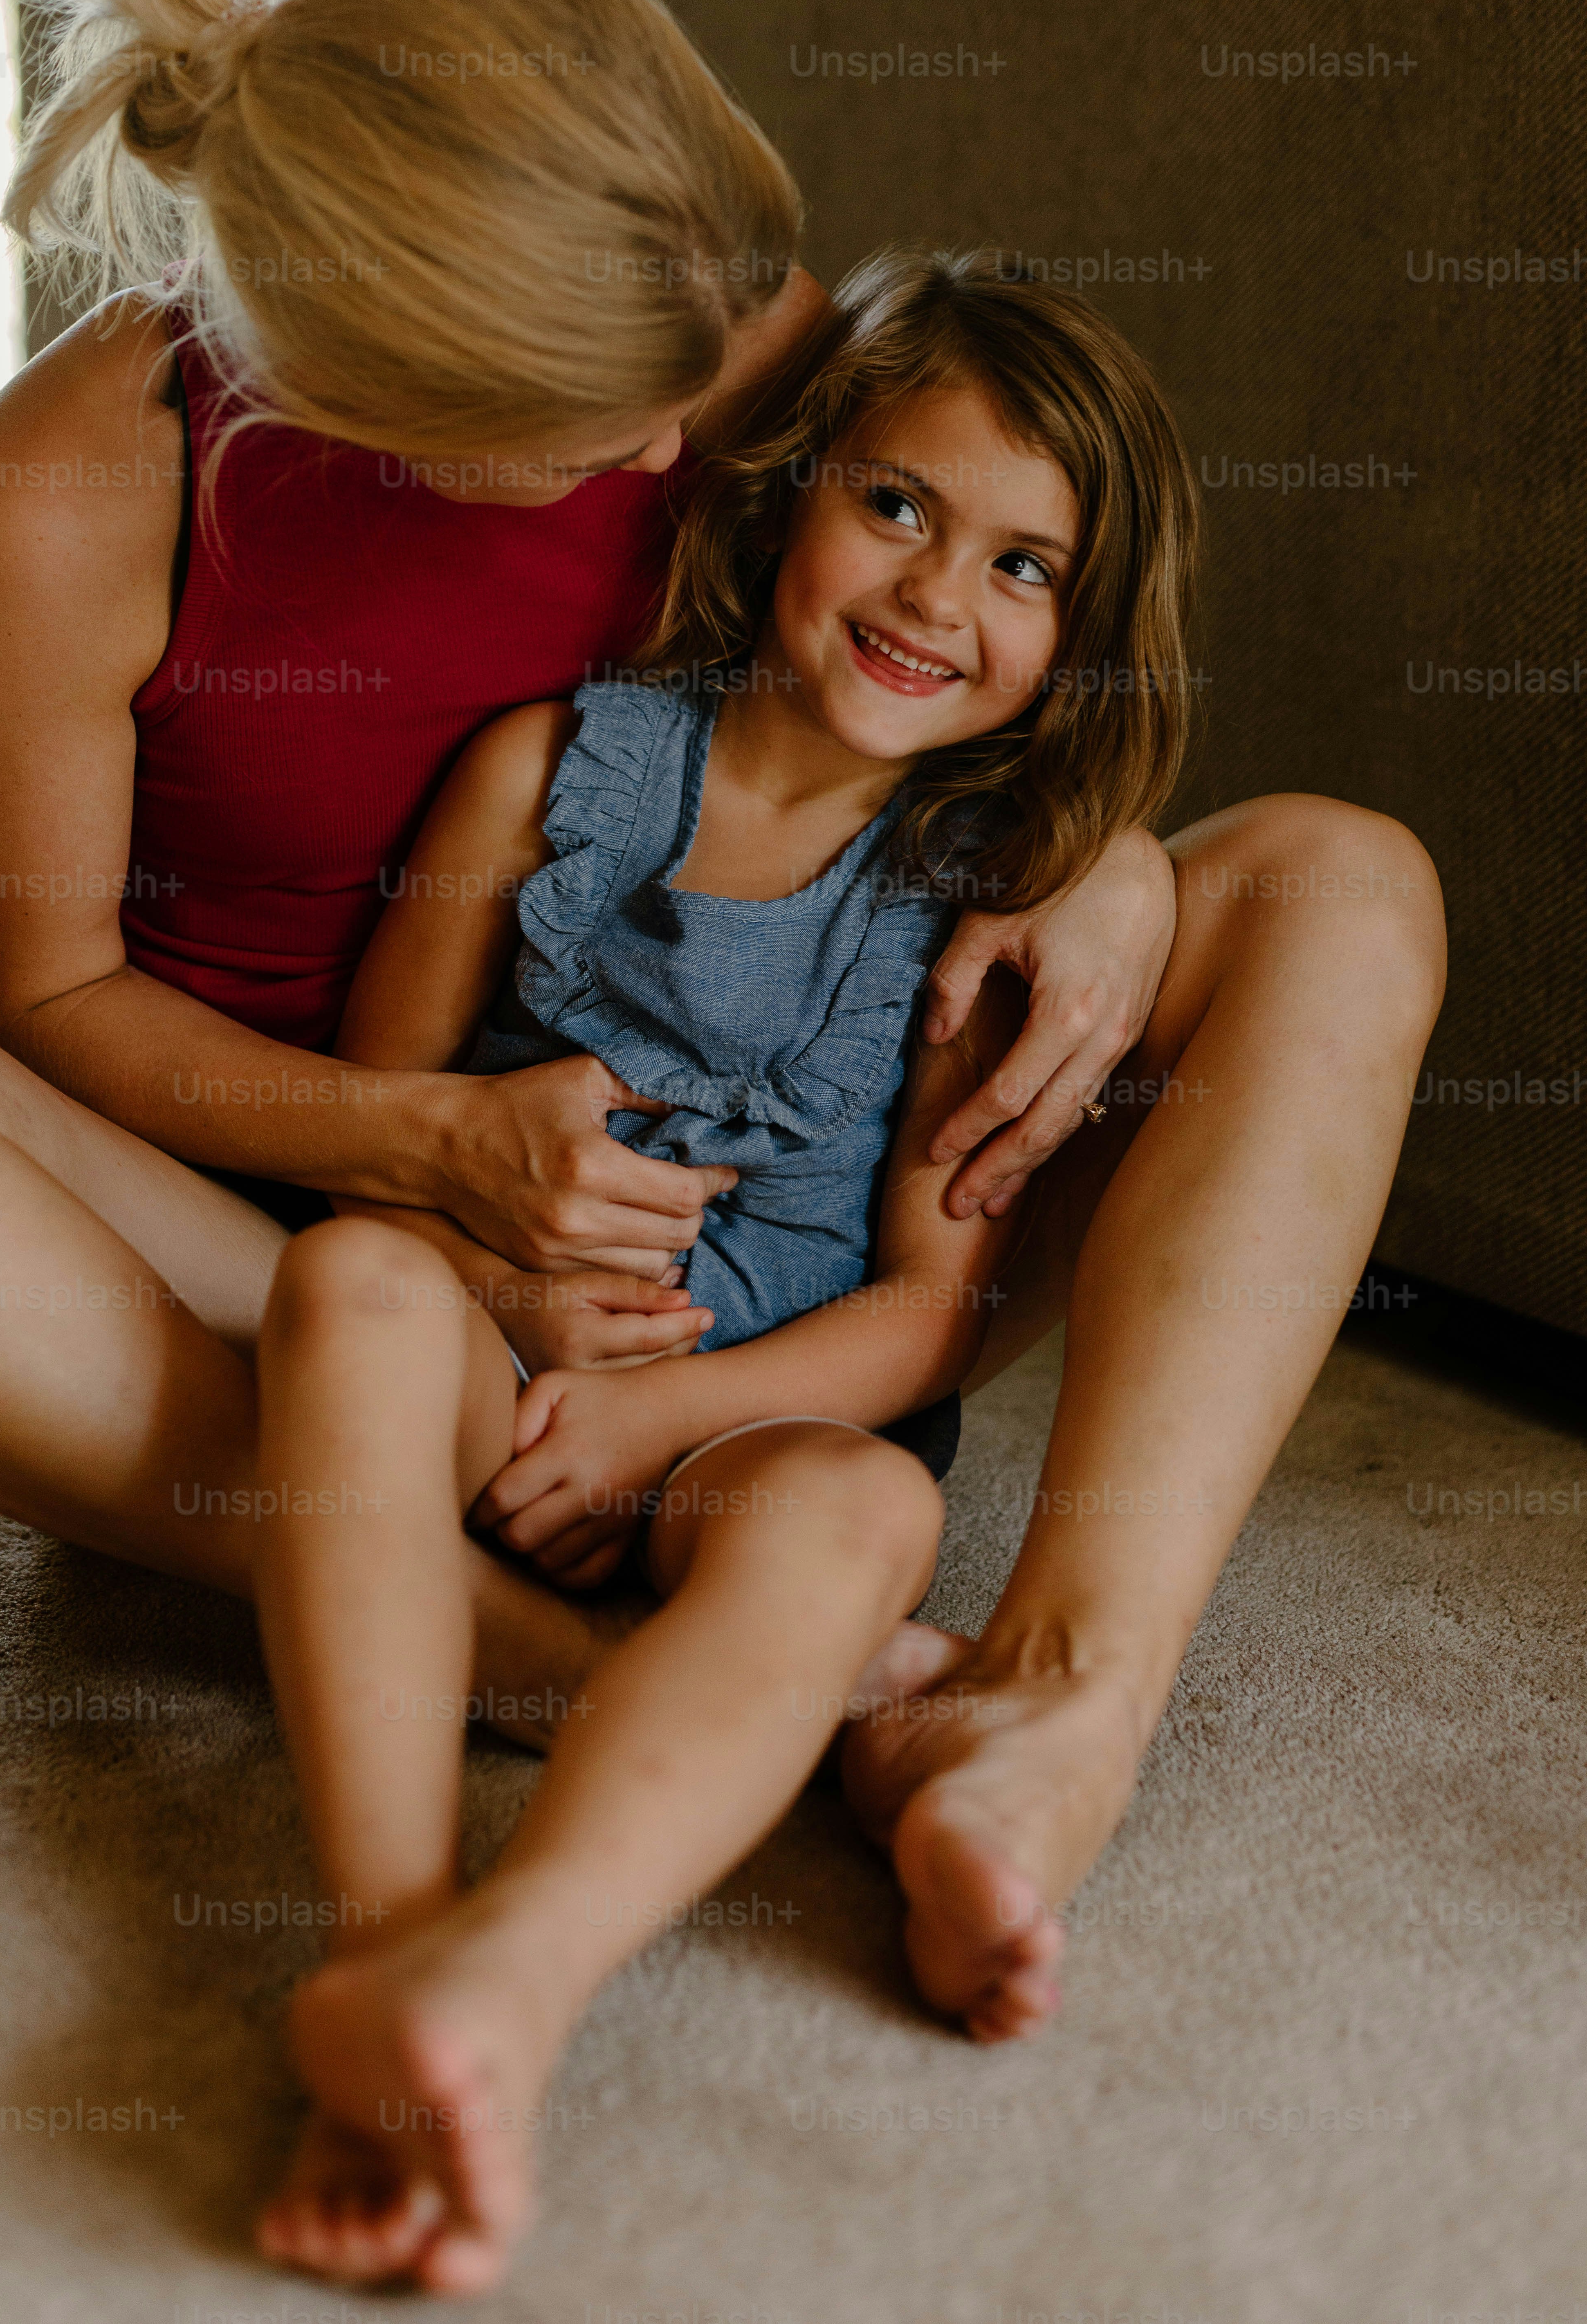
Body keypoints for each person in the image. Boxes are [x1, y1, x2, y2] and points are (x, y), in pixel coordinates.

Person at [249, 247, 1200, 2290]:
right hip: (480, 1360)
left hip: (736, 1417)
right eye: (900, 505)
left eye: (1027, 568)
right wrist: (500, 1305)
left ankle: (519, 1963)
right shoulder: (543, 767)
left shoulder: (969, 900)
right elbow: (370, 1130)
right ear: (789, 491)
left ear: (1080, 635)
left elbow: (924, 1305)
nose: (941, 596)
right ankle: (386, 1934)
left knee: (862, 1509)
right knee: (341, 1299)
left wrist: (660, 1417)